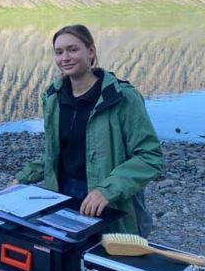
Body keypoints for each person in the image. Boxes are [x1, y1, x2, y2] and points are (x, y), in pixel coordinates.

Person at [9, 25, 163, 237]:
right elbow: (54, 154)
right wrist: (22, 179)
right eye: (59, 52)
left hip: (109, 200)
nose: (65, 58)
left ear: (90, 51)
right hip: (62, 196)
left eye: (73, 49)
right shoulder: (53, 97)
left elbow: (150, 156)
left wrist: (106, 191)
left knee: (106, 264)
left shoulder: (121, 97)